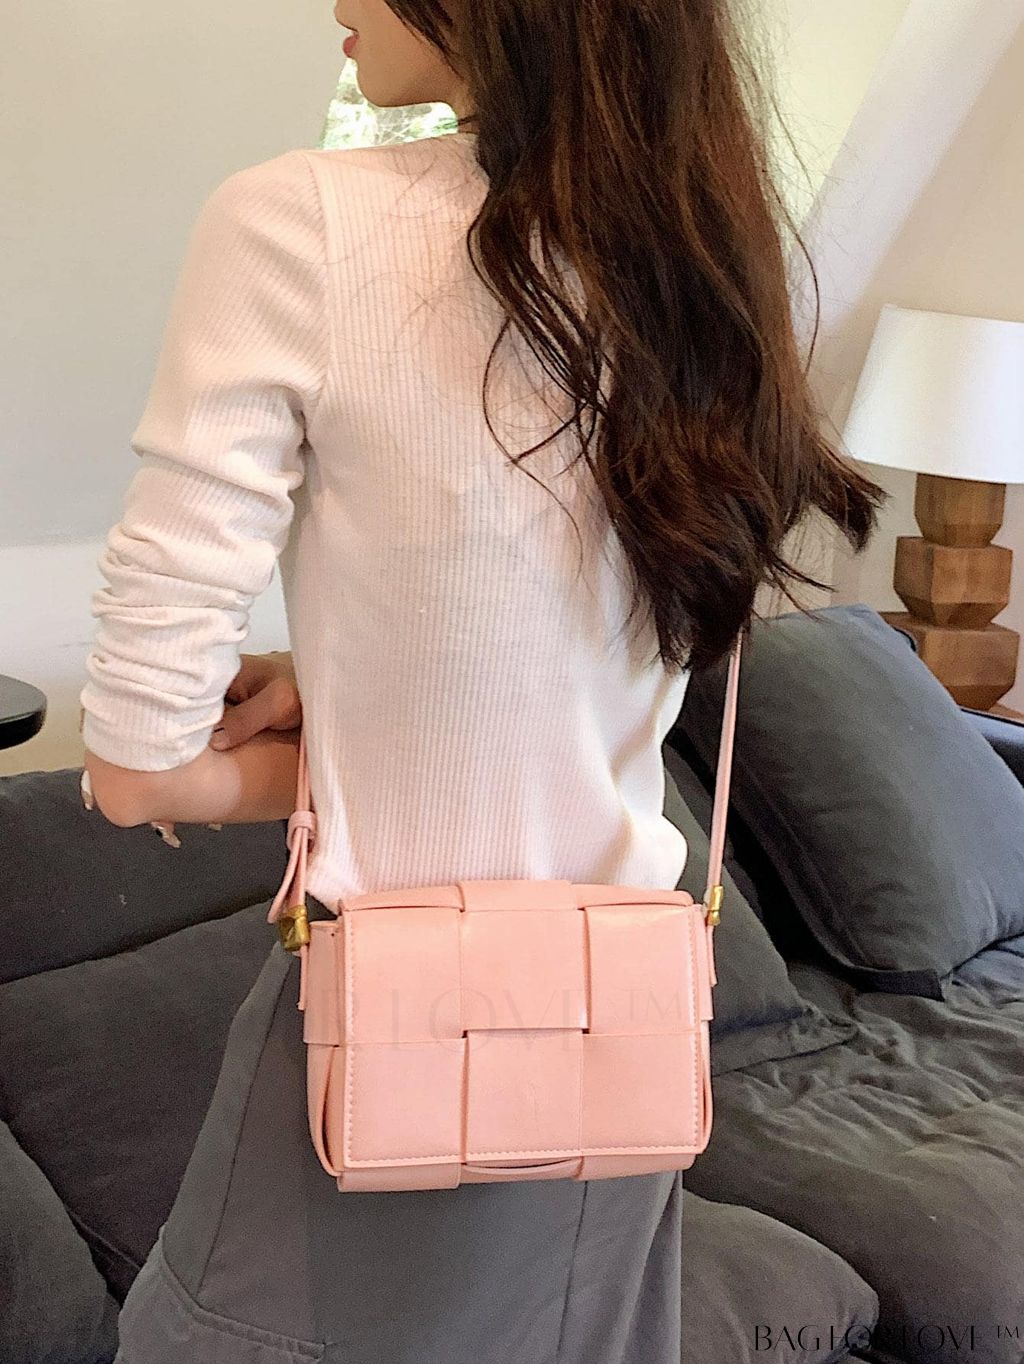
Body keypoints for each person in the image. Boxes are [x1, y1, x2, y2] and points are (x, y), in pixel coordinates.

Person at [79, 1, 888, 1360]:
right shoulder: (705, 265)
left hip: (383, 1042)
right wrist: (347, 689)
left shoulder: (300, 222)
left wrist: (330, 760)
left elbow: (135, 769)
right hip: (616, 1045)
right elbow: (578, 658)